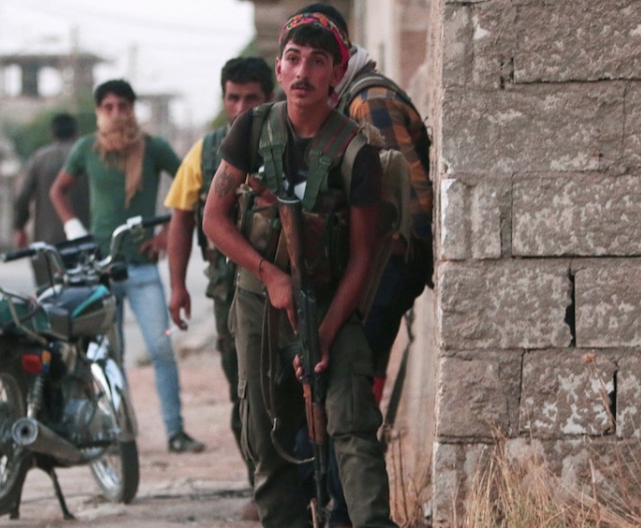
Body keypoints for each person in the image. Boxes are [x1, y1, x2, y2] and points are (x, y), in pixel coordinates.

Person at [202, 12, 396, 528]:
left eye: (318, 61)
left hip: (332, 303)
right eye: (293, 59)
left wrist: (327, 335)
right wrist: (270, 274)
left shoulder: (356, 152)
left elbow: (361, 256)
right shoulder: (252, 128)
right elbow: (214, 220)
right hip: (258, 305)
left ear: (336, 74)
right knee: (266, 435)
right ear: (279, 68)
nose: (304, 71)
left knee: (353, 427)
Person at [292, 6, 435, 527]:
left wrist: (401, 272)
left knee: (347, 395)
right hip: (374, 272)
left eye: (319, 57)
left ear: (340, 58)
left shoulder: (369, 101)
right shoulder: (348, 102)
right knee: (351, 392)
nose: (307, 73)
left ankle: (346, 513)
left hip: (383, 271)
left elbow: (408, 204)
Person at [49, 79, 205, 454]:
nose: (116, 113)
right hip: (99, 269)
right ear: (99, 111)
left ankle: (175, 431)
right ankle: (119, 435)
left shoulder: (152, 149)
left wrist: (169, 230)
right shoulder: (87, 149)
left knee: (161, 348)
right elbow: (59, 191)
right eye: (108, 106)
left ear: (133, 109)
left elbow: (192, 184)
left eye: (123, 105)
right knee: (108, 356)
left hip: (142, 269)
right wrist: (75, 230)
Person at [164, 56, 274, 514]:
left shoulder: (290, 137)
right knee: (244, 391)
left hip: (291, 286)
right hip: (230, 293)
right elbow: (182, 217)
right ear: (223, 98)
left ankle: (309, 486)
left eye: (252, 98)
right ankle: (263, 487)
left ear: (270, 96)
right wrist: (177, 286)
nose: (242, 106)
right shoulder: (208, 152)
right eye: (234, 97)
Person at [12, 113, 89, 287]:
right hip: (85, 239)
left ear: (52, 134)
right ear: (75, 133)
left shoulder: (40, 158)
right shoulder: (87, 156)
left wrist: (19, 227)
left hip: (48, 242)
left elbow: (23, 196)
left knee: (49, 296)